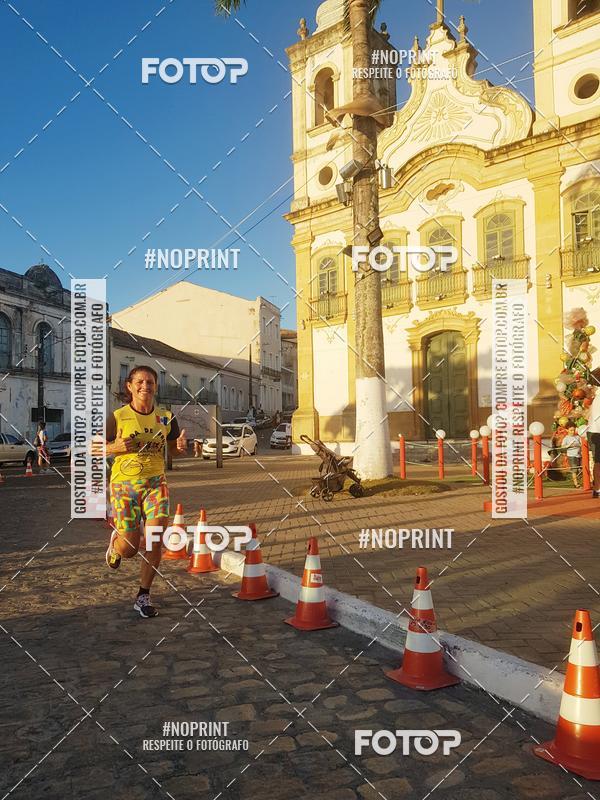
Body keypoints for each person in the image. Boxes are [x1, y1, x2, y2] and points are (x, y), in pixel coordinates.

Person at [100, 365, 187, 618]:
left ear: (155, 387)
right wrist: (113, 447)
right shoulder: (117, 417)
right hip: (123, 486)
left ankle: (143, 595)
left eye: (150, 382)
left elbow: (173, 449)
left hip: (155, 484)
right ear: (129, 386)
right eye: (139, 382)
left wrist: (181, 447)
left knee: (154, 539)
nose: (145, 386)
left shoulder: (166, 418)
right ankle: (116, 547)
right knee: (129, 549)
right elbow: (93, 448)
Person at [588, 366, 600, 498]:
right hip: (597, 432)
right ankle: (597, 488)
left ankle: (597, 488)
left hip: (595, 431)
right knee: (598, 461)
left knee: (598, 461)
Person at [561, 423, 582, 489]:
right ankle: (576, 484)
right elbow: (563, 446)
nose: (572, 432)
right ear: (567, 430)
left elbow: (582, 444)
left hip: (579, 455)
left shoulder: (578, 437)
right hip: (571, 456)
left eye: (573, 430)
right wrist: (568, 445)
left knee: (580, 469)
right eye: (571, 430)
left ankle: (582, 482)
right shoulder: (566, 438)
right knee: (574, 470)